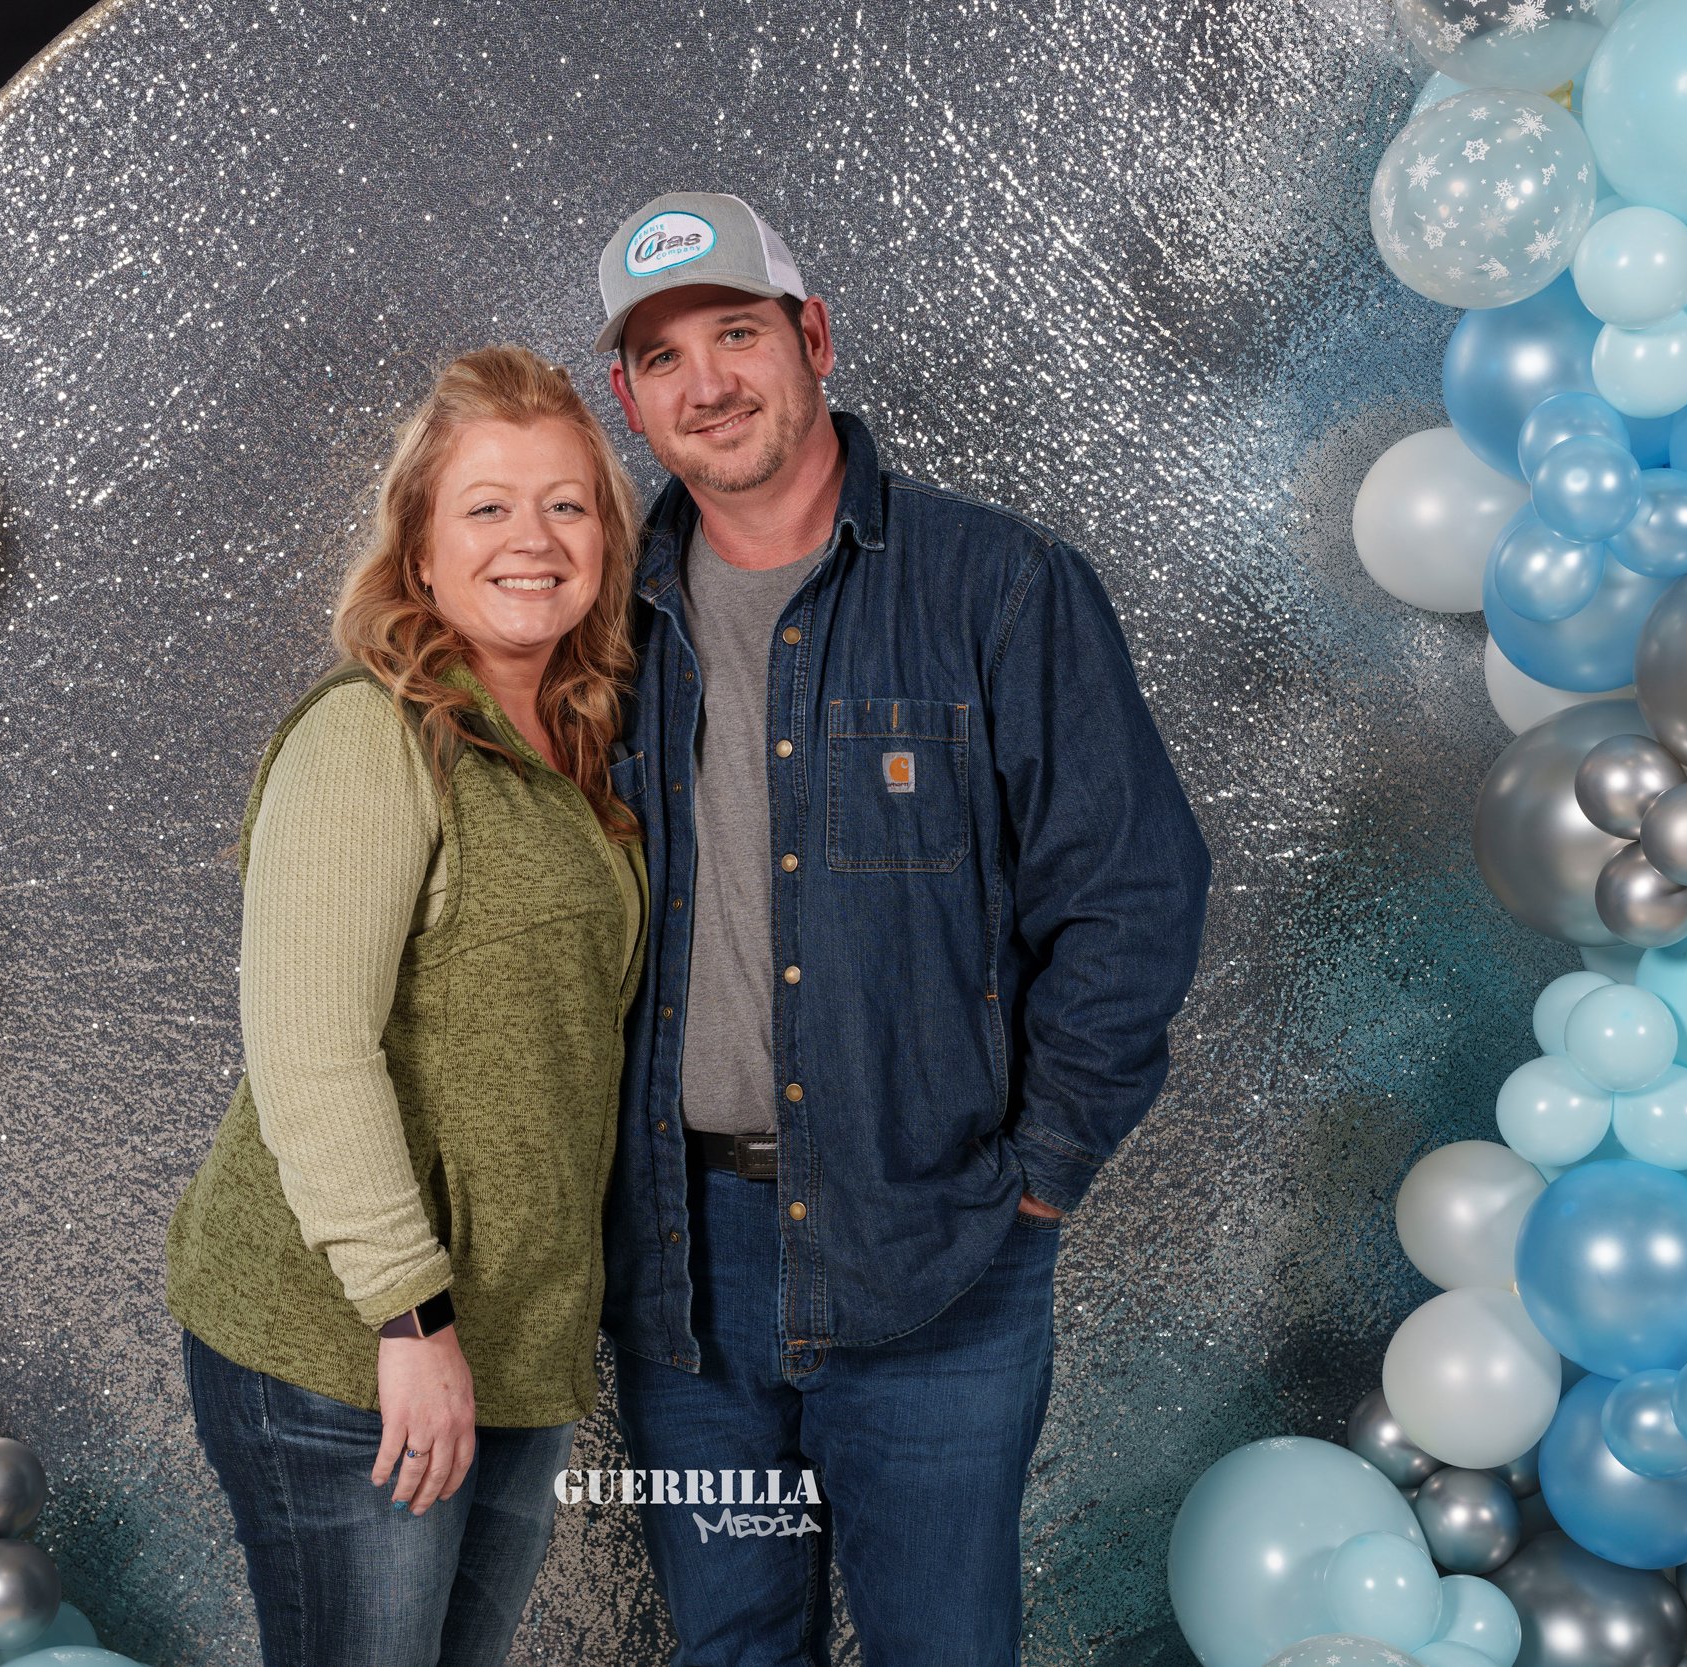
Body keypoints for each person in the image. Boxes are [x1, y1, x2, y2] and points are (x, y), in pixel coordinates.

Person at [588, 191, 1214, 1664]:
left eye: (736, 333)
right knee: (733, 1644)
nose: (709, 384)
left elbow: (1132, 895)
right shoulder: (601, 627)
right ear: (628, 401)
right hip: (685, 1283)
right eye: (663, 359)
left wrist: (1035, 1184)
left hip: (934, 1260)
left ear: (811, 336)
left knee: (941, 1647)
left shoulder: (998, 588)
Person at [162, 343, 649, 1667]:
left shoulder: (584, 749)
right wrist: (411, 1319)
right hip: (352, 1355)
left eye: (568, 504)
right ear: (421, 553)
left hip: (512, 1349)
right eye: (487, 506)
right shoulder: (372, 737)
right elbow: (310, 1054)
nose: (533, 540)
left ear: (606, 538)